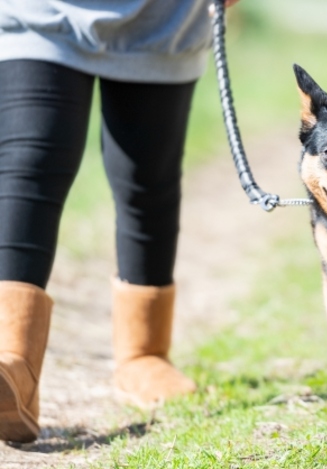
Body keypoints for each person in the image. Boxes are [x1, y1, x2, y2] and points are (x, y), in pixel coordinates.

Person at [0, 0, 239, 443]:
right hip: (39, 13)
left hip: (162, 19)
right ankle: (13, 361)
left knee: (146, 179)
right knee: (30, 164)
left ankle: (143, 354)